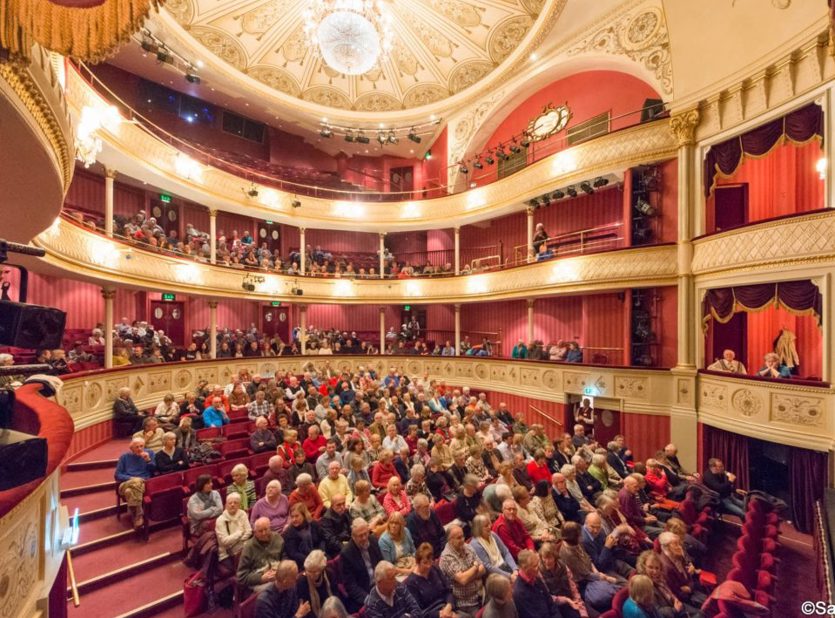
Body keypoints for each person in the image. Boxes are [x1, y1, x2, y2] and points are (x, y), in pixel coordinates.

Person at [559, 522, 621, 612]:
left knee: (618, 586)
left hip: (593, 574)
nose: (582, 537)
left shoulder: (577, 543)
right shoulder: (567, 554)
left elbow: (588, 559)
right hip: (584, 583)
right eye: (579, 535)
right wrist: (605, 578)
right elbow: (585, 575)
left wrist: (598, 573)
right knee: (606, 594)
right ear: (573, 538)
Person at [439, 524, 486, 616]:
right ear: (450, 540)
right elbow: (463, 580)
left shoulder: (467, 547)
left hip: (481, 593)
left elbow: (483, 569)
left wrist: (469, 575)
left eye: (463, 536)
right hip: (466, 603)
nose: (463, 540)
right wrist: (475, 566)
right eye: (459, 538)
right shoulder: (446, 557)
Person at [340, 517, 384, 613]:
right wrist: (368, 599)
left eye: (365, 534)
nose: (364, 538)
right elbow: (351, 586)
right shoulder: (346, 553)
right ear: (353, 536)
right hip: (364, 592)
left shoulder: (373, 540)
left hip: (379, 585)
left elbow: (381, 563)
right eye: (360, 536)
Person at [405, 542, 459, 618]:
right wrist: (438, 614)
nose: (428, 566)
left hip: (446, 608)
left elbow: (448, 590)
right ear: (418, 562)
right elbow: (418, 611)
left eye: (430, 561)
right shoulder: (411, 582)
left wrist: (449, 605)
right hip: (431, 615)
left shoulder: (435, 569)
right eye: (425, 563)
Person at [237, 516, 285, 595]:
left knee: (292, 580)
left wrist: (280, 569)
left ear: (270, 528)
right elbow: (241, 577)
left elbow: (285, 557)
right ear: (255, 532)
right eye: (260, 531)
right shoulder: (249, 547)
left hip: (278, 574)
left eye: (266, 529)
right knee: (275, 588)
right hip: (259, 581)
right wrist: (261, 578)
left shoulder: (277, 538)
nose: (264, 533)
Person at [512, 549, 566, 618]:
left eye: (538, 564)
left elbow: (550, 602)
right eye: (535, 566)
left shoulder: (535, 578)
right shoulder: (519, 593)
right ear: (525, 568)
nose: (538, 567)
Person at [657, 532, 705, 607]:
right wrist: (690, 588)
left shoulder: (677, 552)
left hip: (690, 583)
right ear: (667, 547)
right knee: (707, 603)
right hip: (685, 596)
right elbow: (676, 591)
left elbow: (687, 569)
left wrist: (691, 569)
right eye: (675, 544)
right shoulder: (666, 567)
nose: (679, 547)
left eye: (678, 543)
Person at [538, 542, 586, 618]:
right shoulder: (540, 573)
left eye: (549, 558)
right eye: (544, 558)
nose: (547, 561)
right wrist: (566, 600)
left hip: (569, 601)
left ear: (555, 557)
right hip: (554, 606)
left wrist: (583, 612)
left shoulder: (564, 567)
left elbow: (574, 590)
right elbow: (548, 597)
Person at [115, 437, 154, 528]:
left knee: (129, 492)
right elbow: (117, 474)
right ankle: (139, 515)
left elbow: (154, 471)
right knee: (136, 481)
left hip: (143, 483)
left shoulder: (150, 453)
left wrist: (148, 460)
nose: (140, 449)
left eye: (141, 446)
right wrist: (131, 478)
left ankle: (136, 516)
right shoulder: (124, 457)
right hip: (126, 483)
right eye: (137, 447)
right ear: (131, 448)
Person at [635, 550, 687, 618]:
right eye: (650, 567)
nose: (655, 571)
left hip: (678, 608)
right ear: (643, 566)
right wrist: (674, 610)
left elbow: (672, 594)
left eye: (657, 568)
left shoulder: (661, 579)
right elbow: (656, 611)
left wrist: (677, 601)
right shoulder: (645, 587)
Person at [470, 514, 517, 578]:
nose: (490, 527)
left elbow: (506, 552)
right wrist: (509, 576)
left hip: (506, 566)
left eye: (489, 524)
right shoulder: (475, 544)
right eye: (486, 526)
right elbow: (488, 566)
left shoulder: (493, 535)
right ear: (478, 529)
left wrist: (515, 569)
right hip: (494, 575)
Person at [283, 503, 327, 569]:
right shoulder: (289, 533)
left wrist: (321, 552)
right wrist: (310, 560)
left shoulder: (313, 524)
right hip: (302, 562)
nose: (294, 519)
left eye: (297, 516)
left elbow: (322, 540)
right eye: (292, 517)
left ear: (304, 515)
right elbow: (293, 553)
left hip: (318, 556)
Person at [296, 550, 335, 618]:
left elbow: (335, 596)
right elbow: (306, 608)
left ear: (321, 569)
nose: (311, 575)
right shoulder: (301, 581)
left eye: (315, 572)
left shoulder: (329, 574)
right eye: (309, 571)